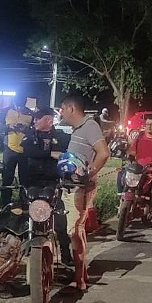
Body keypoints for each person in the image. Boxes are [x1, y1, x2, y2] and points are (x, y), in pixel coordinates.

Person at [59, 94, 109, 291]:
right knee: (74, 229)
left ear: (72, 109)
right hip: (71, 187)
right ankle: (81, 274)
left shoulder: (90, 126)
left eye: (63, 109)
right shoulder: (78, 129)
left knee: (74, 230)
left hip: (80, 188)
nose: (61, 112)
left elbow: (104, 153)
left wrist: (88, 174)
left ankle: (79, 280)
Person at [20, 106, 73, 267]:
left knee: (59, 221)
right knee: (24, 217)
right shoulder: (30, 135)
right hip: (31, 183)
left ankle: (65, 253)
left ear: (48, 120)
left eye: (39, 118)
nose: (35, 121)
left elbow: (64, 153)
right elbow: (28, 150)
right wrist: (50, 153)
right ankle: (22, 251)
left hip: (53, 183)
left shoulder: (61, 136)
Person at [1, 97, 33, 204]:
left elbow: (34, 131)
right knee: (7, 177)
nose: (20, 108)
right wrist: (9, 127)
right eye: (18, 106)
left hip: (25, 151)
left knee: (25, 179)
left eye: (22, 106)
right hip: (9, 149)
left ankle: (24, 202)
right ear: (14, 102)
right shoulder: (6, 111)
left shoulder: (30, 113)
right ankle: (5, 203)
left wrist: (26, 129)